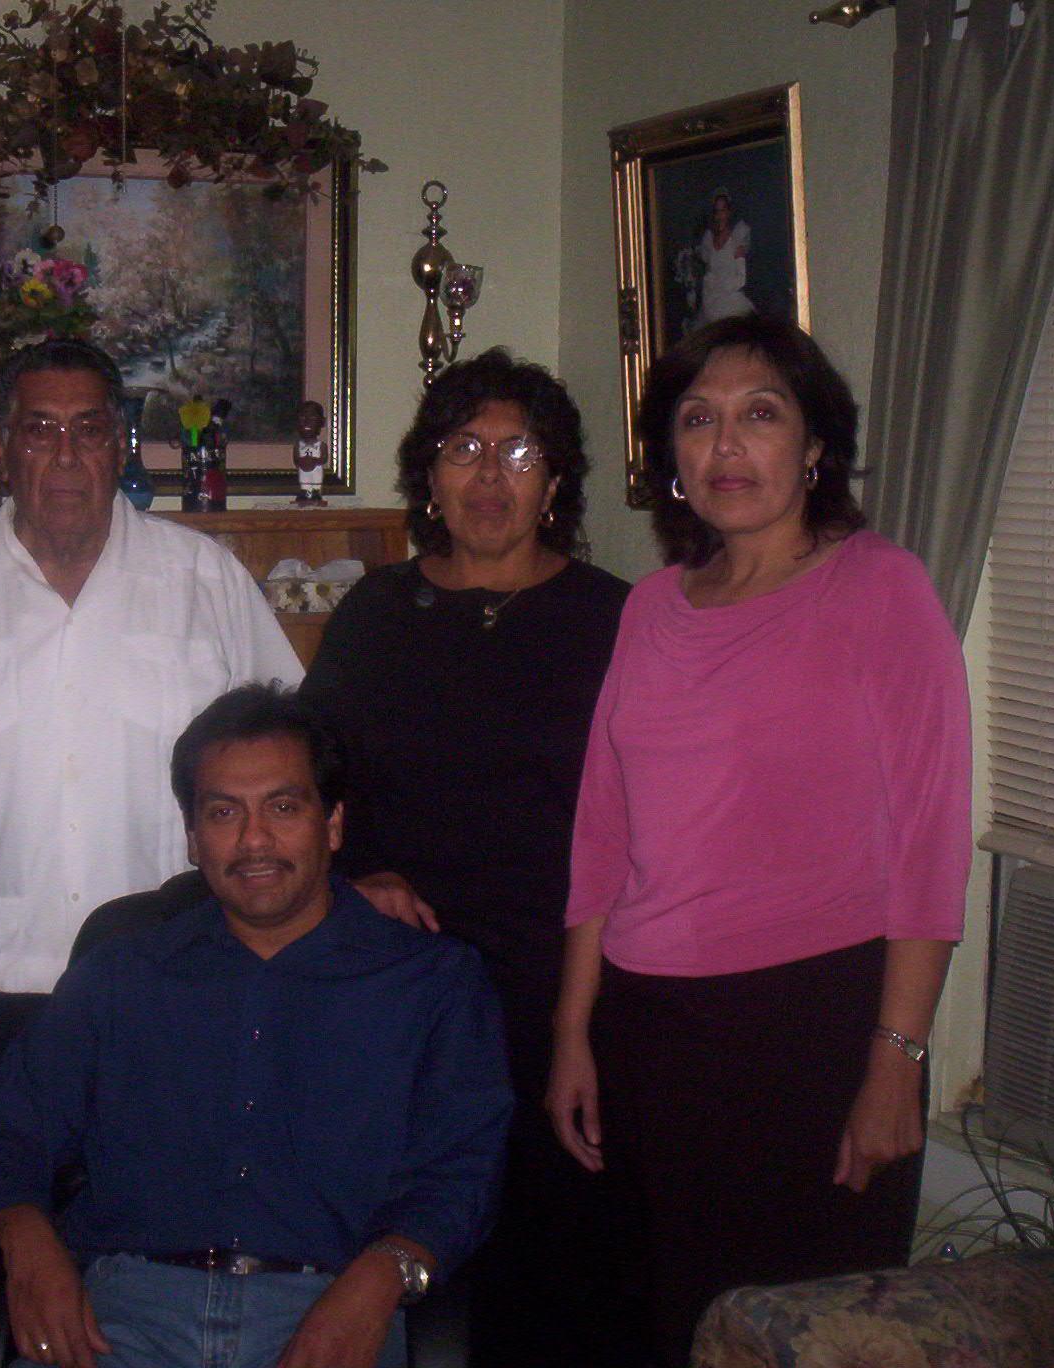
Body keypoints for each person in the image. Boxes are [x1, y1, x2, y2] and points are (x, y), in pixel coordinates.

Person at [548, 314, 971, 1367]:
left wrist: (898, 1061)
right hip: (651, 1034)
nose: (726, 447)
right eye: (698, 421)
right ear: (672, 460)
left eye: (759, 416)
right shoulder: (649, 608)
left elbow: (930, 845)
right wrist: (571, 1031)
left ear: (814, 445)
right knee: (669, 1325)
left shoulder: (880, 589)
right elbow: (602, 829)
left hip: (810, 1035)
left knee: (805, 1337)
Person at [0, 683, 512, 1368]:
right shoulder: (118, 976)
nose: (254, 840)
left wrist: (385, 1275)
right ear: (191, 837)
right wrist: (27, 1243)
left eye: (283, 806)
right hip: (117, 1319)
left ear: (332, 824)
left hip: (332, 1316)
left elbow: (463, 1174)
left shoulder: (431, 981)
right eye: (222, 812)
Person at [299, 348, 638, 1366]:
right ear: (429, 473)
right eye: (465, 449)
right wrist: (356, 876)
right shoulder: (372, 615)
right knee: (405, 1249)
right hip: (403, 988)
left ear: (558, 480)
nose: (491, 477)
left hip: (562, 989)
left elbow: (645, 817)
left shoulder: (614, 621)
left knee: (555, 1269)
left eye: (521, 452)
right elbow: (315, 784)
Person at [0, 338, 303, 1140]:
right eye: (40, 430)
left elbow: (295, 762)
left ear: (120, 447)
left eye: (89, 430)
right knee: (1, 1238)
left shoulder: (204, 580)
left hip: (181, 975)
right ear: (3, 452)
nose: (66, 456)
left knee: (162, 1239)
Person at [689, 189, 754, 331]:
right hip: (710, 301)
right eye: (717, 212)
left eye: (723, 210)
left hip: (730, 301)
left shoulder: (737, 237)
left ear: (729, 212)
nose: (720, 216)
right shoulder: (708, 239)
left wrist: (723, 287)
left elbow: (741, 280)